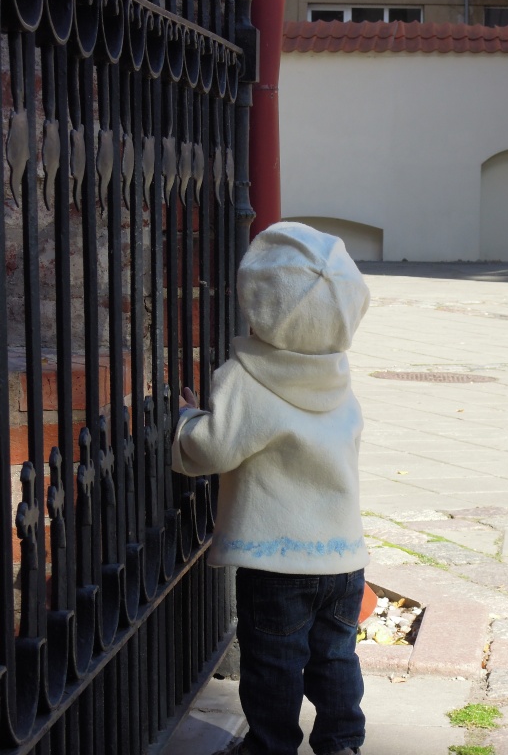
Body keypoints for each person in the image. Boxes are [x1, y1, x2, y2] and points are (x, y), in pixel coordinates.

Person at [171, 221, 370, 755]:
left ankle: (271, 745)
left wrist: (188, 420)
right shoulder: (337, 377)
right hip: (343, 558)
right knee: (335, 658)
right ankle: (342, 742)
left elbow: (213, 449)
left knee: (273, 663)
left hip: (276, 562)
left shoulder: (246, 378)